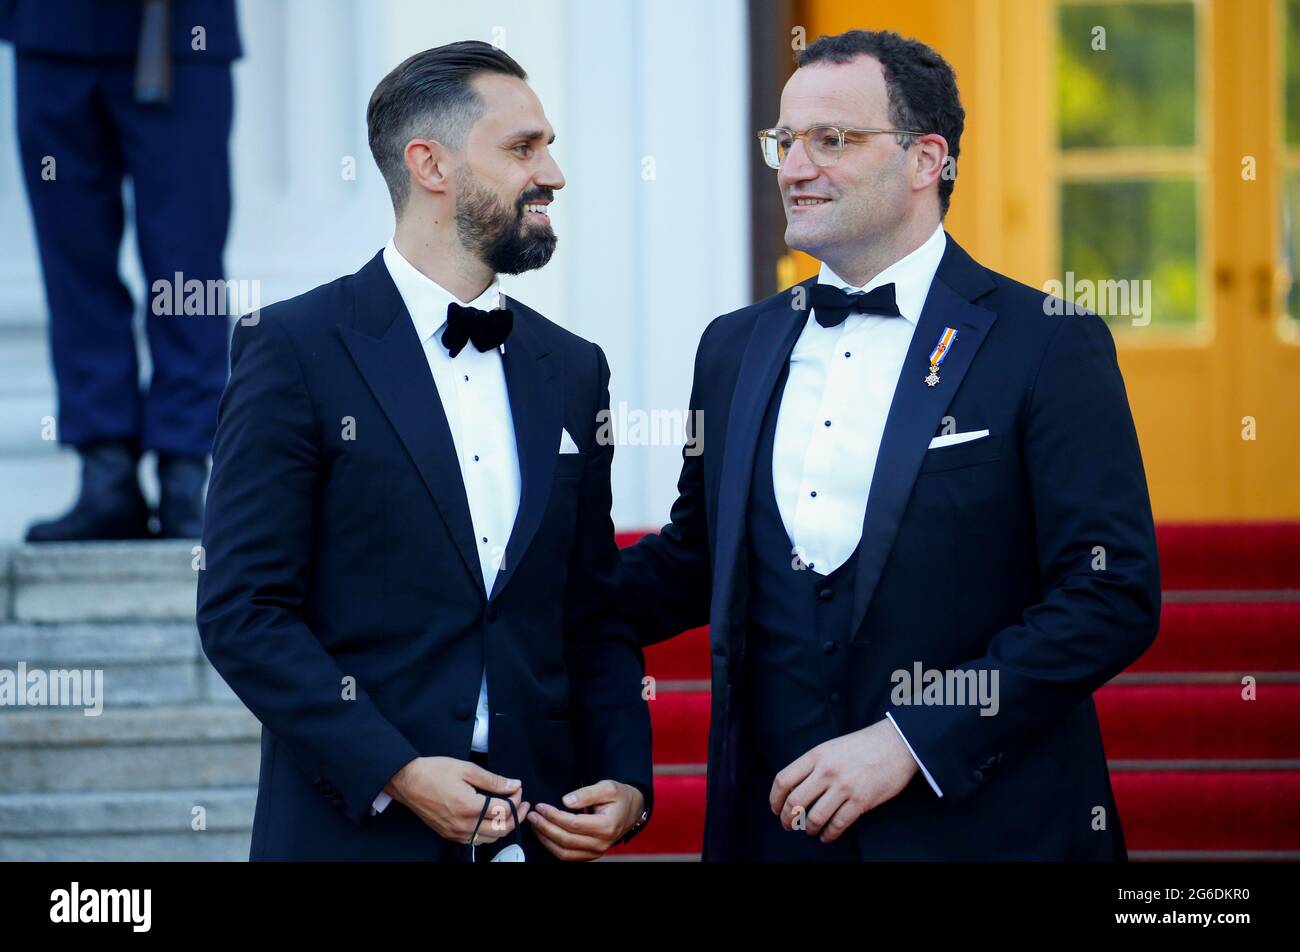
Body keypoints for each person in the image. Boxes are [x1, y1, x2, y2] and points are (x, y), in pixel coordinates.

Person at [616, 29, 1160, 860]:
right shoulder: (733, 346)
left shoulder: (1047, 341)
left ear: (924, 159)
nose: (794, 167)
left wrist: (910, 739)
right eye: (785, 140)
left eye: (831, 140)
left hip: (987, 832)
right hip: (776, 832)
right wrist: (508, 595)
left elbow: (1108, 593)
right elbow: (695, 560)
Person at [196, 41, 651, 861]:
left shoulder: (575, 368)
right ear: (429, 165)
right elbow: (244, 611)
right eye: (522, 148)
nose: (552, 174)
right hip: (351, 833)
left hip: (538, 832)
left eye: (547, 145)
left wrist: (626, 779)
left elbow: (592, 611)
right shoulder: (293, 348)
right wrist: (396, 768)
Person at [1, 0, 241, 540]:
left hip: (182, 32)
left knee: (187, 270)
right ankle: (104, 469)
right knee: (73, 263)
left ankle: (184, 470)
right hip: (50, 31)